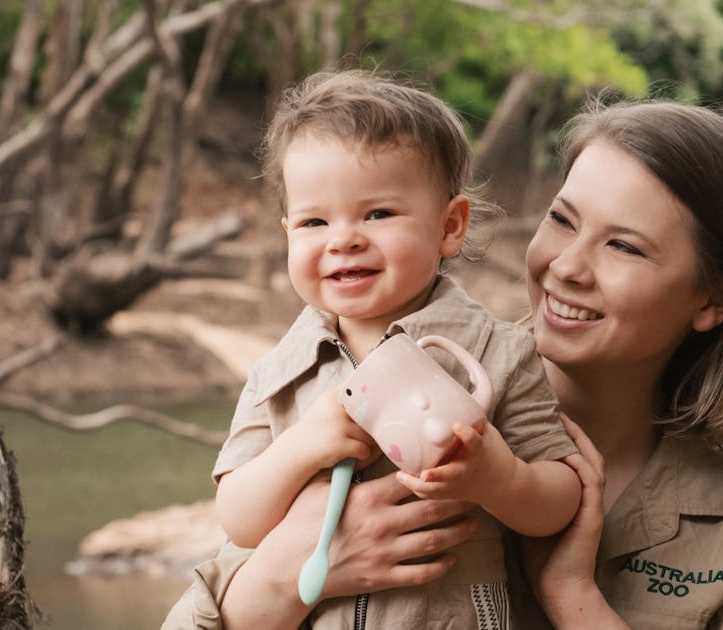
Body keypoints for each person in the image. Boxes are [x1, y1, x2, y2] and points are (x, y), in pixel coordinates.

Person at [164, 98, 723, 629]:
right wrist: (291, 571)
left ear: (717, 297)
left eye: (623, 246)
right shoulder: (353, 382)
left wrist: (571, 598)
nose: (565, 267)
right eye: (561, 221)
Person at [205, 69, 581, 629]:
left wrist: (495, 476)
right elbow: (239, 520)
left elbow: (560, 499)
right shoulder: (277, 375)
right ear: (287, 234)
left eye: (377, 213)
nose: (343, 238)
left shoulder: (499, 353)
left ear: (449, 226)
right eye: (313, 221)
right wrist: (305, 445)